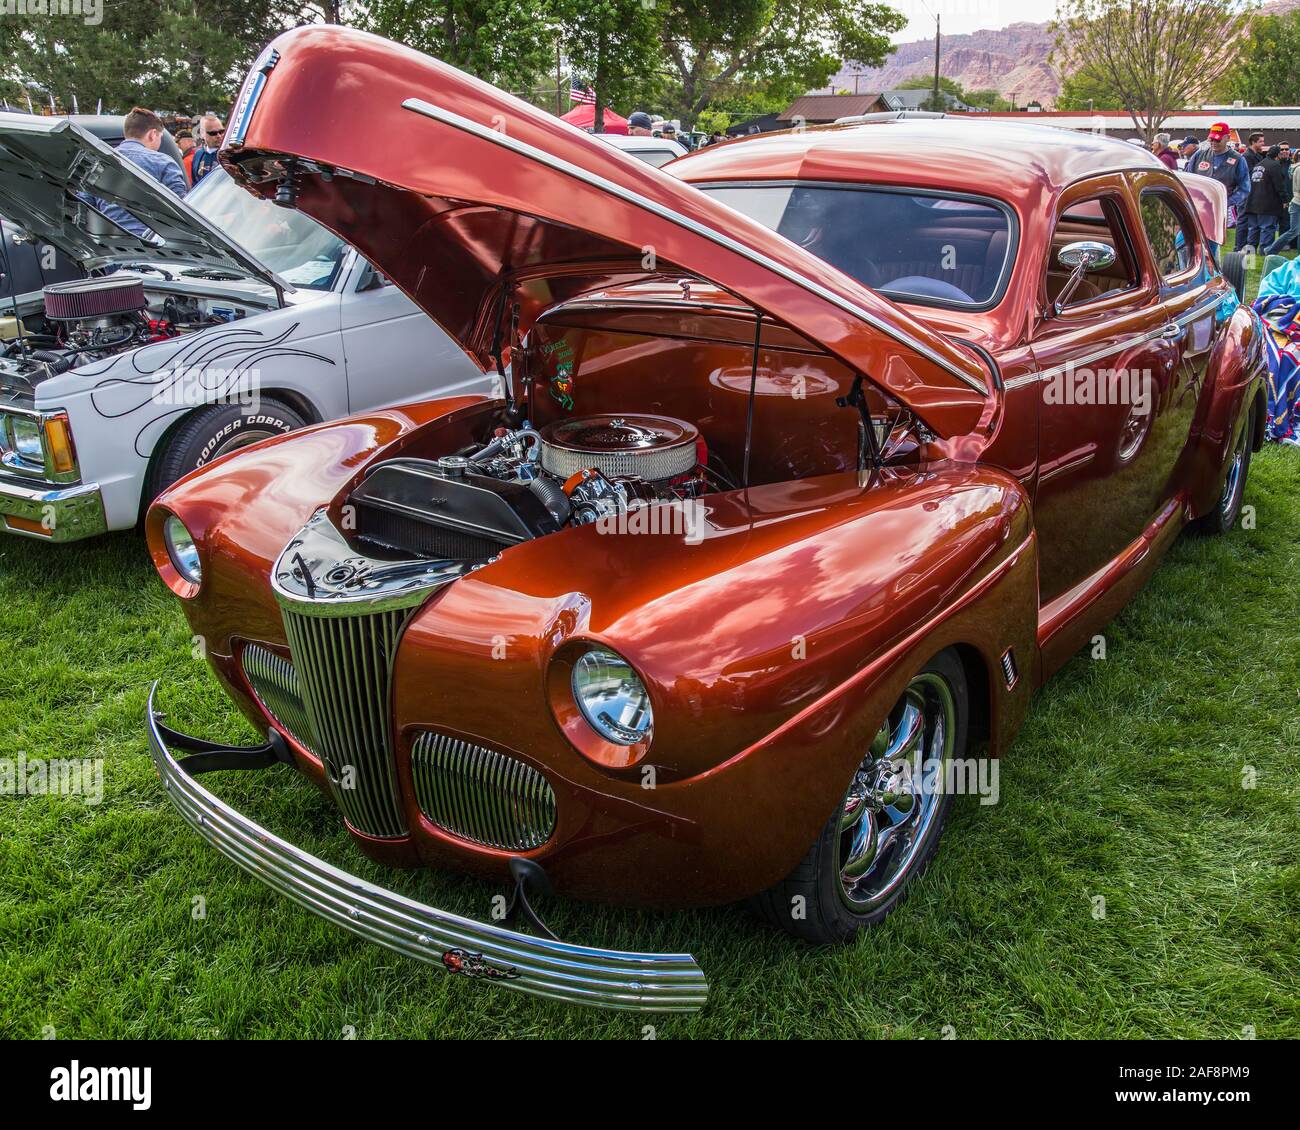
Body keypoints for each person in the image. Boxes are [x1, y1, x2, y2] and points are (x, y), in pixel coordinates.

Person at [89, 106, 187, 239]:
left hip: (109, 244)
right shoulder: (163, 162)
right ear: (152, 134)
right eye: (160, 137)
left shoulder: (99, 161)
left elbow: (85, 203)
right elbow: (181, 211)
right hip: (151, 245)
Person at [1189, 122, 1250, 248]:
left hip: (1217, 210)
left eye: (1218, 140)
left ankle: (1213, 267)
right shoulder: (1199, 155)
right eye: (1211, 139)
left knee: (1210, 245)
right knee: (1185, 241)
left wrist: (1226, 202)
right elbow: (1188, 179)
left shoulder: (1238, 159)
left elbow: (1245, 188)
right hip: (1196, 207)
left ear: (1227, 138)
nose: (1213, 143)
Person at [1244, 144, 1287, 251]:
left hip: (1252, 202)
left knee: (1253, 228)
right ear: (1278, 154)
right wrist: (1285, 200)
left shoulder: (1259, 164)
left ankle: (1250, 251)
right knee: (1267, 228)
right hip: (1267, 204)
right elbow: (1279, 185)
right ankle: (1265, 251)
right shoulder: (1275, 165)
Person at [1265, 153, 1300, 253]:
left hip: (1296, 204)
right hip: (1297, 204)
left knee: (1296, 231)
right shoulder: (1298, 169)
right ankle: (1270, 250)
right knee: (1294, 231)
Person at [190, 114, 224, 184]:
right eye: (213, 133)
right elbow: (195, 183)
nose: (219, 136)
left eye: (221, 131)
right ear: (202, 134)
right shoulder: (198, 155)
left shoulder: (230, 154)